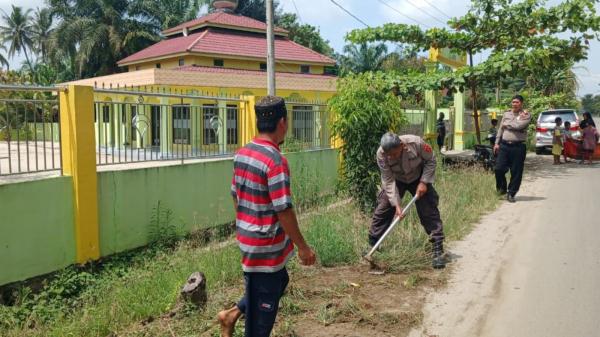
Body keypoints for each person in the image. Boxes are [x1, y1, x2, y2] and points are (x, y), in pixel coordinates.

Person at [218, 96, 317, 337]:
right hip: (265, 251)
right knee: (259, 327)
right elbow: (283, 209)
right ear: (283, 122)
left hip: (250, 241)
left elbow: (235, 195)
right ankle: (234, 318)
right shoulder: (275, 162)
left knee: (280, 280)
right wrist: (303, 247)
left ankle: (230, 315)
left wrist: (245, 226)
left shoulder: (242, 153)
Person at [368, 132, 446, 269]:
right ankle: (373, 244)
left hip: (418, 177)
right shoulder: (381, 154)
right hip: (397, 180)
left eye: (394, 154)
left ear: (402, 146)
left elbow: (431, 160)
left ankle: (438, 249)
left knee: (428, 210)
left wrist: (424, 182)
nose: (391, 157)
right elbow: (388, 179)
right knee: (384, 207)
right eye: (389, 155)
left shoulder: (416, 143)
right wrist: (397, 204)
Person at [494, 95, 532, 203]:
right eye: (513, 102)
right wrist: (497, 143)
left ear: (521, 103)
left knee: (516, 171)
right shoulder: (506, 114)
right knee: (498, 169)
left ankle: (511, 193)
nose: (514, 104)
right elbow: (500, 129)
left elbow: (519, 126)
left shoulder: (526, 115)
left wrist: (508, 125)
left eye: (517, 102)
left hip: (518, 147)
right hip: (504, 146)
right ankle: (502, 190)